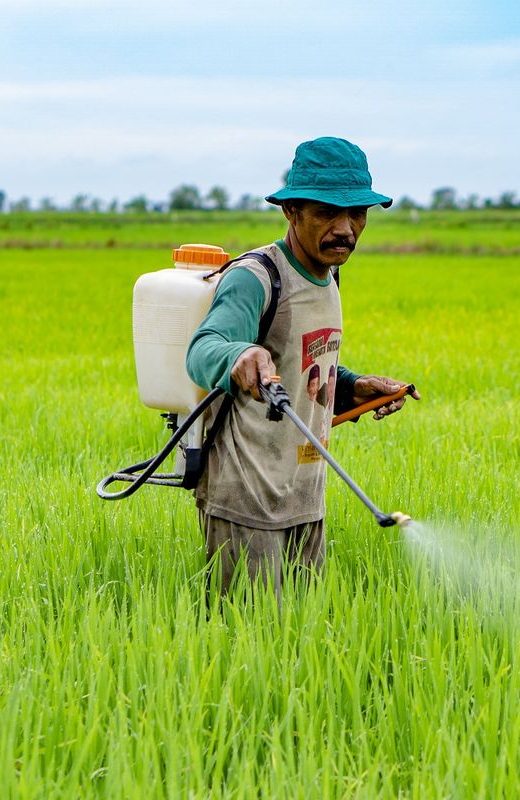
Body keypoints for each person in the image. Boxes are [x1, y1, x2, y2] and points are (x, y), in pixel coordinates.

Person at [185, 136, 417, 603]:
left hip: (306, 496)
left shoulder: (329, 273)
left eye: (357, 214)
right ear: (291, 212)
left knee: (299, 639)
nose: (345, 228)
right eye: (327, 213)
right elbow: (202, 349)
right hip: (247, 496)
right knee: (248, 639)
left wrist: (353, 385)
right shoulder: (255, 277)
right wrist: (238, 356)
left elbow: (304, 361)